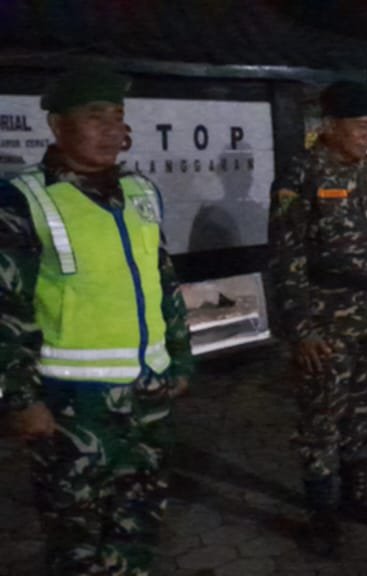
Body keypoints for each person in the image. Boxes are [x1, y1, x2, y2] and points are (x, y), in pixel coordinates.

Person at [0, 68, 194, 575]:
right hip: (73, 404)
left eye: (118, 117)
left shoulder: (140, 190)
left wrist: (180, 359)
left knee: (139, 517)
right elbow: (5, 310)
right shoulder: (21, 199)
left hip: (148, 393)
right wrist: (21, 400)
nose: (112, 129)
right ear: (57, 125)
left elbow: (162, 280)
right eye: (95, 116)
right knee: (76, 532)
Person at [269, 81, 367, 556]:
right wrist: (301, 329)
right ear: (330, 125)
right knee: (322, 415)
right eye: (360, 125)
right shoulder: (302, 173)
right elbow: (286, 257)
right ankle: (321, 513)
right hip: (326, 317)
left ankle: (356, 495)